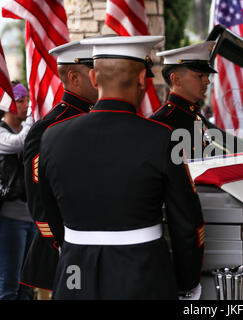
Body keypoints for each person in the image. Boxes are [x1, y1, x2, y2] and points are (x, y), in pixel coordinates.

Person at [38, 35, 204, 299]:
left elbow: (48, 211)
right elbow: (185, 222)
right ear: (141, 79)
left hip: (74, 272)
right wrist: (187, 281)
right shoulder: (163, 137)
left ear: (94, 78)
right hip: (142, 272)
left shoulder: (51, 137)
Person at [20, 40, 97, 298]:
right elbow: (39, 199)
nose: (101, 77)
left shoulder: (97, 120)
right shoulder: (48, 128)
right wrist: (63, 244)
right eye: (94, 71)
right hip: (59, 251)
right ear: (74, 76)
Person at [0, 81, 35, 299]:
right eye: (21, 100)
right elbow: (18, 143)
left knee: (27, 285)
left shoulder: (27, 129)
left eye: (28, 100)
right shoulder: (2, 133)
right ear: (8, 104)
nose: (27, 105)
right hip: (9, 219)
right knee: (8, 283)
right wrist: (35, 117)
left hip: (31, 217)